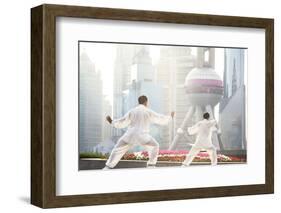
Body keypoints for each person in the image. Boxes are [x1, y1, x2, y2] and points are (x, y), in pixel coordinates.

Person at [103, 95, 175, 169]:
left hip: (130, 135)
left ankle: (108, 166)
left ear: (139, 102)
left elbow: (123, 121)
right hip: (143, 136)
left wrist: (112, 122)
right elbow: (159, 118)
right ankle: (151, 165)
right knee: (155, 146)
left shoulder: (132, 111)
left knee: (117, 149)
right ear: (146, 102)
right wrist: (170, 117)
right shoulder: (148, 111)